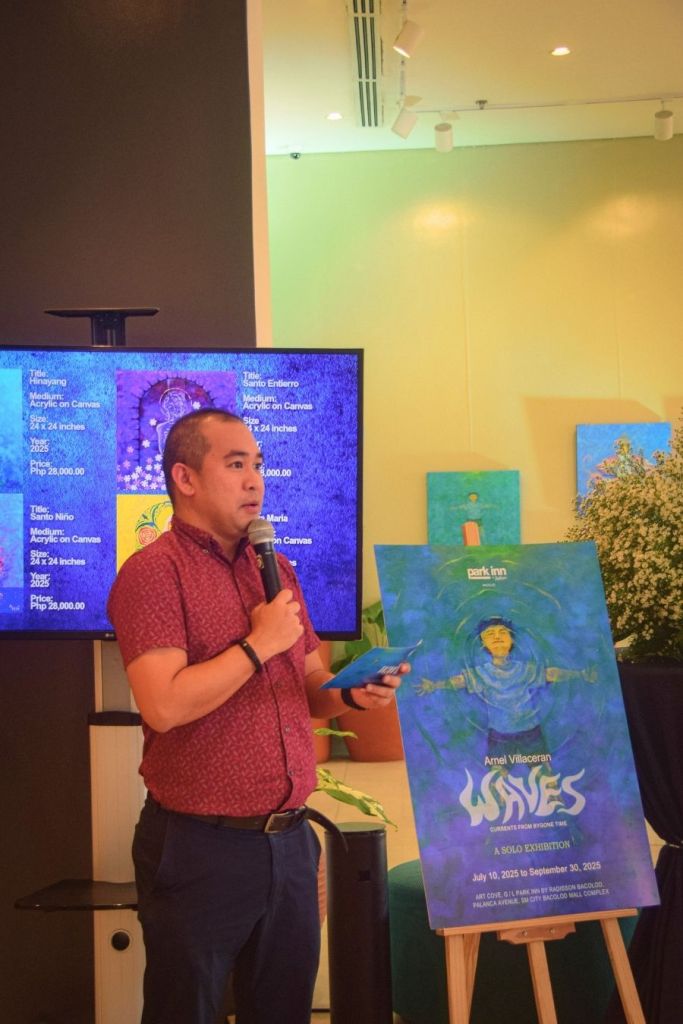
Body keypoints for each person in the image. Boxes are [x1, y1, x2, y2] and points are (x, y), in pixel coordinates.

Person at [107, 408, 407, 1024]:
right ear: (185, 478)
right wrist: (257, 644)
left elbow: (311, 686)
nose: (255, 480)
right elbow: (163, 705)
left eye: (259, 465)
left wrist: (354, 692)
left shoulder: (275, 567)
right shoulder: (153, 573)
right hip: (200, 848)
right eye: (236, 464)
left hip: (290, 844)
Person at [415, 616, 595, 762]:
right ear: (484, 644)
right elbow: (459, 681)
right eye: (490, 634)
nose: (497, 637)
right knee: (496, 780)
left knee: (545, 776)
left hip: (531, 732)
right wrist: (435, 685)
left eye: (502, 633)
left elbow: (550, 674)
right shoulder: (482, 673)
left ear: (512, 640)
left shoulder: (525, 670)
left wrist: (580, 674)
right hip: (499, 736)